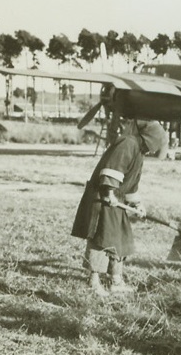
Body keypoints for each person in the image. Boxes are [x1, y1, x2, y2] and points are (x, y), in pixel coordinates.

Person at [71, 119, 166, 295]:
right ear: (150, 139)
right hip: (103, 198)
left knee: (121, 237)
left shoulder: (139, 153)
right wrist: (109, 193)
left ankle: (116, 281)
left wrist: (138, 204)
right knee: (102, 238)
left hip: (116, 199)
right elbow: (112, 170)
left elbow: (131, 184)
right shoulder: (128, 143)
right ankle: (93, 282)